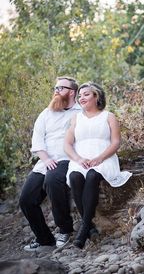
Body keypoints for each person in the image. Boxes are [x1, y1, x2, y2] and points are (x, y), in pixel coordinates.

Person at [64, 81, 132, 249]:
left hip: (104, 157)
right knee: (75, 176)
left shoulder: (108, 116)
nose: (81, 98)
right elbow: (66, 144)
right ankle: (90, 227)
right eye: (79, 96)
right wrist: (78, 159)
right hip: (80, 158)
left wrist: (100, 158)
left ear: (97, 96)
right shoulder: (76, 118)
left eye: (86, 94)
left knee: (93, 176)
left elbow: (116, 142)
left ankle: (84, 228)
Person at [19, 76, 81, 252]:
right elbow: (37, 141)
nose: (56, 90)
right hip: (45, 161)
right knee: (26, 199)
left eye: (60, 88)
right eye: (55, 87)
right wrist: (45, 159)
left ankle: (64, 229)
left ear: (71, 92)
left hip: (67, 158)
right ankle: (45, 239)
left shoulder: (80, 112)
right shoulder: (46, 113)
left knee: (53, 181)